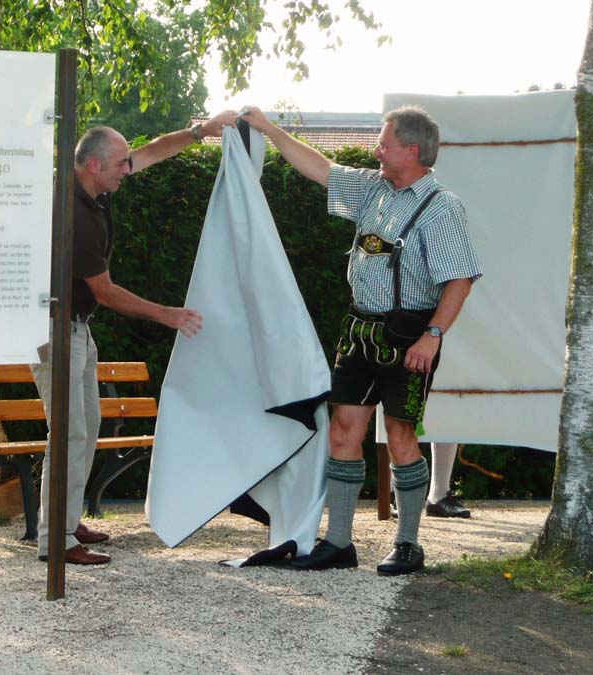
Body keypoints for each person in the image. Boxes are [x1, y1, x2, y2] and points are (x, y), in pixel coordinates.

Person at [240, 105, 481, 575]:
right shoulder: (374, 188)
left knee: (400, 435)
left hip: (410, 335)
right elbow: (320, 168)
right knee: (343, 431)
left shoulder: (442, 207)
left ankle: (408, 544)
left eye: (384, 144)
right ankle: (339, 544)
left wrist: (432, 337)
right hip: (359, 330)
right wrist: (268, 129)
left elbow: (460, 280)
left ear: (412, 151)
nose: (376, 152)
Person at [34, 111, 238, 565]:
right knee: (68, 433)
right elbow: (105, 292)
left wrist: (199, 132)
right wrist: (167, 315)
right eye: (120, 164)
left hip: (76, 327)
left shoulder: (95, 187)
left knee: (85, 428)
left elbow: (152, 151)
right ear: (94, 165)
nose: (128, 170)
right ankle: (55, 539)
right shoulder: (71, 211)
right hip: (53, 329)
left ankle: (67, 520)